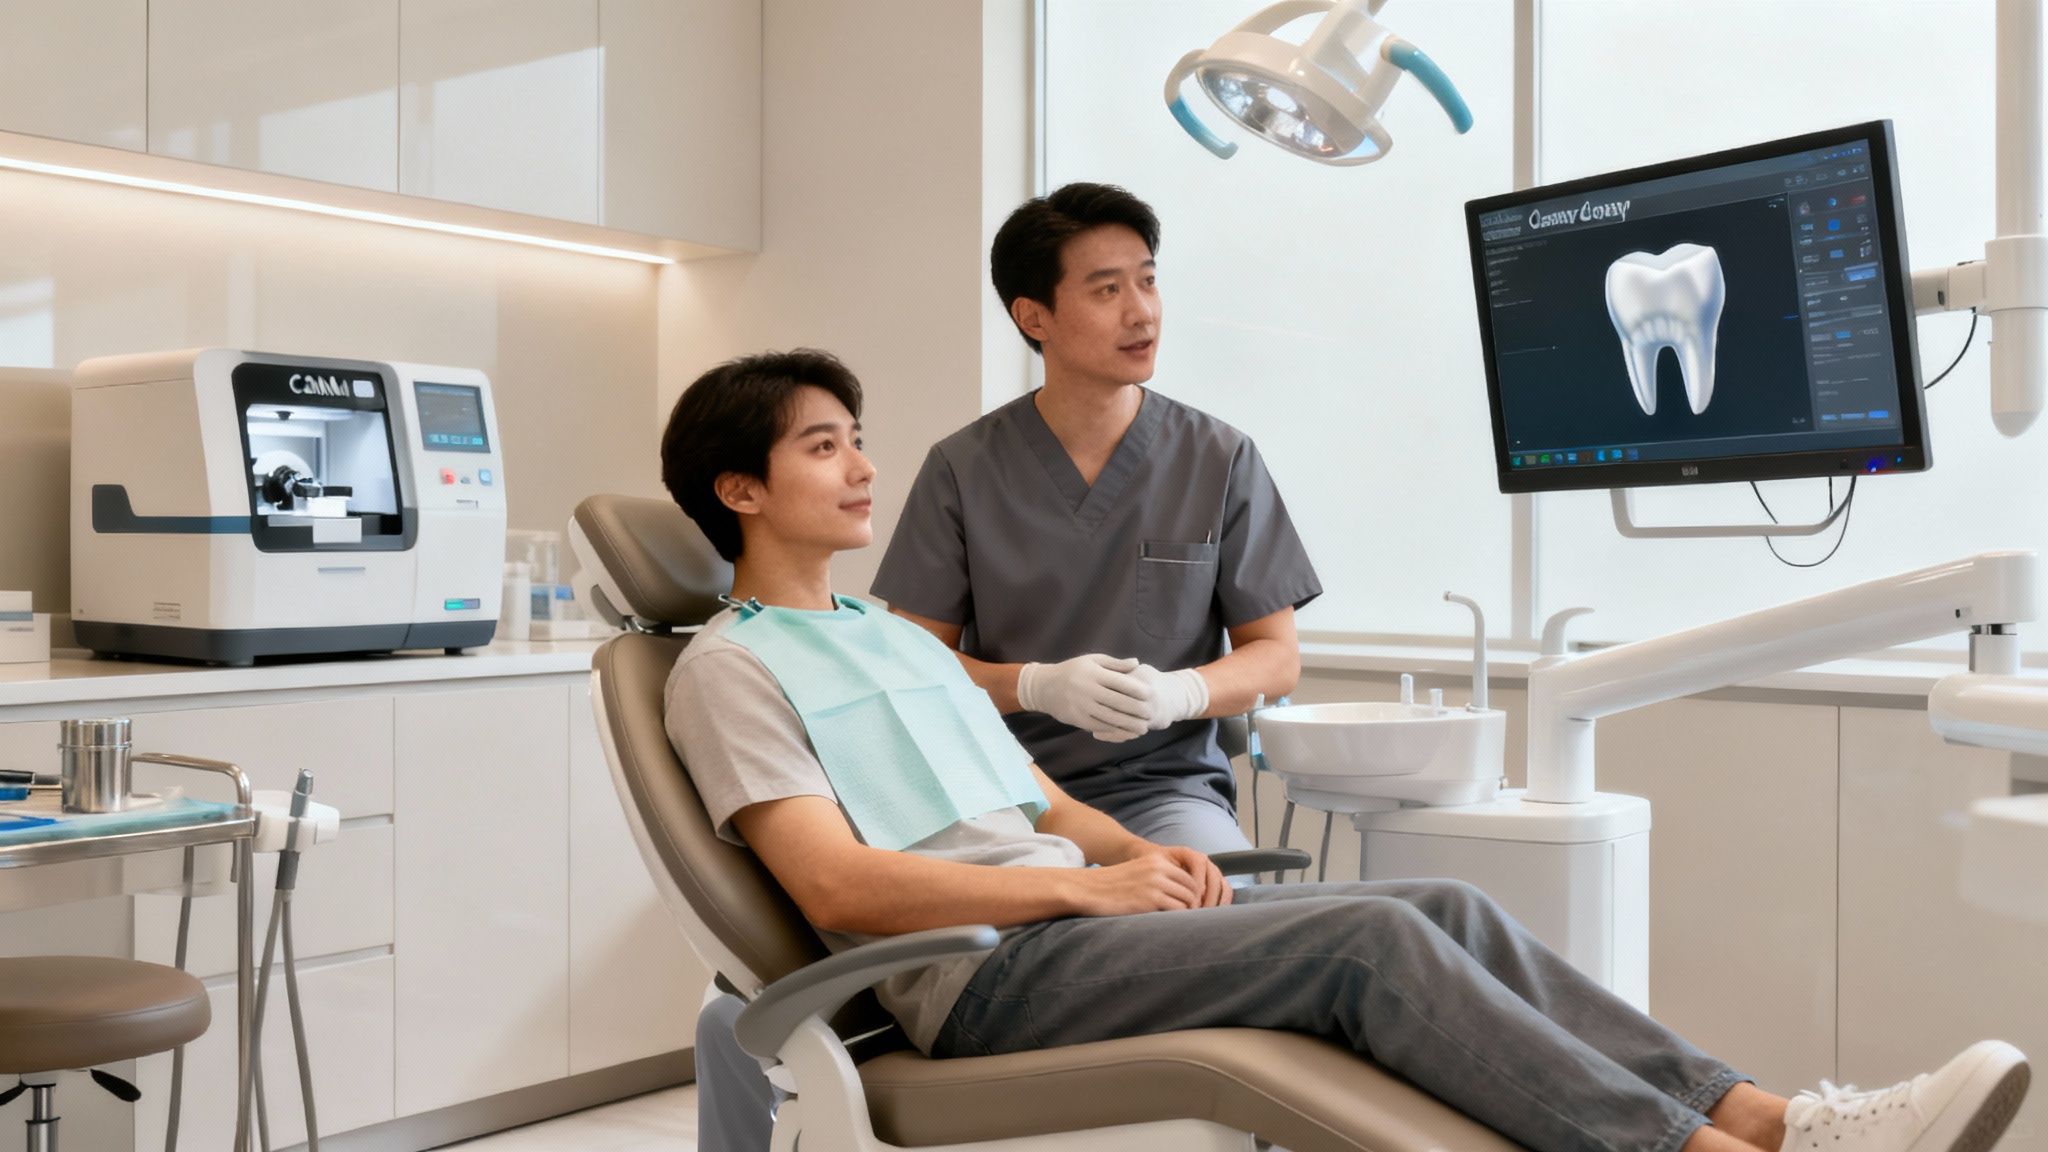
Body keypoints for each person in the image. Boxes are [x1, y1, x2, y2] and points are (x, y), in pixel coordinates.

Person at [660, 347, 2031, 1152]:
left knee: (1439, 904)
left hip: (1057, 925)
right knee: (1363, 948)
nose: (862, 470)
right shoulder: (728, 669)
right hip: (973, 980)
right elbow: (837, 890)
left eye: (857, 443)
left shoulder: (897, 641)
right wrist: (1079, 890)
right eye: (825, 448)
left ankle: (1790, 1123)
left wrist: (1141, 858)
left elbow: (1038, 800)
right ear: (740, 490)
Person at [873, 181, 1320, 858]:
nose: (1142, 313)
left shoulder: (1218, 458)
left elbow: (1277, 657)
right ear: (1034, 317)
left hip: (1165, 793)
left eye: (1147, 282)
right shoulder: (963, 469)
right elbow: (916, 667)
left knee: (1205, 912)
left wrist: (1181, 692)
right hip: (1006, 793)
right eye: (1107, 290)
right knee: (1030, 935)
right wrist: (1032, 685)